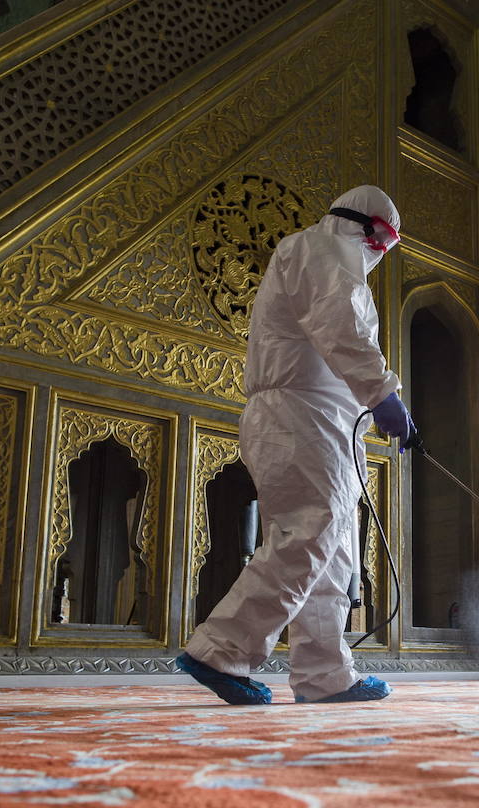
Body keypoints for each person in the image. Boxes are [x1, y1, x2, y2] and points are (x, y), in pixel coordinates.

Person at [177, 186, 415, 705]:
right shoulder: (320, 249)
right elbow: (340, 324)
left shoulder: (335, 257)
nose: (381, 254)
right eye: (383, 242)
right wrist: (383, 393)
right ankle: (219, 650)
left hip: (325, 421)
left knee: (331, 552)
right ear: (367, 227)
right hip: (298, 415)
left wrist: (371, 405)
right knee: (307, 534)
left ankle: (325, 675)